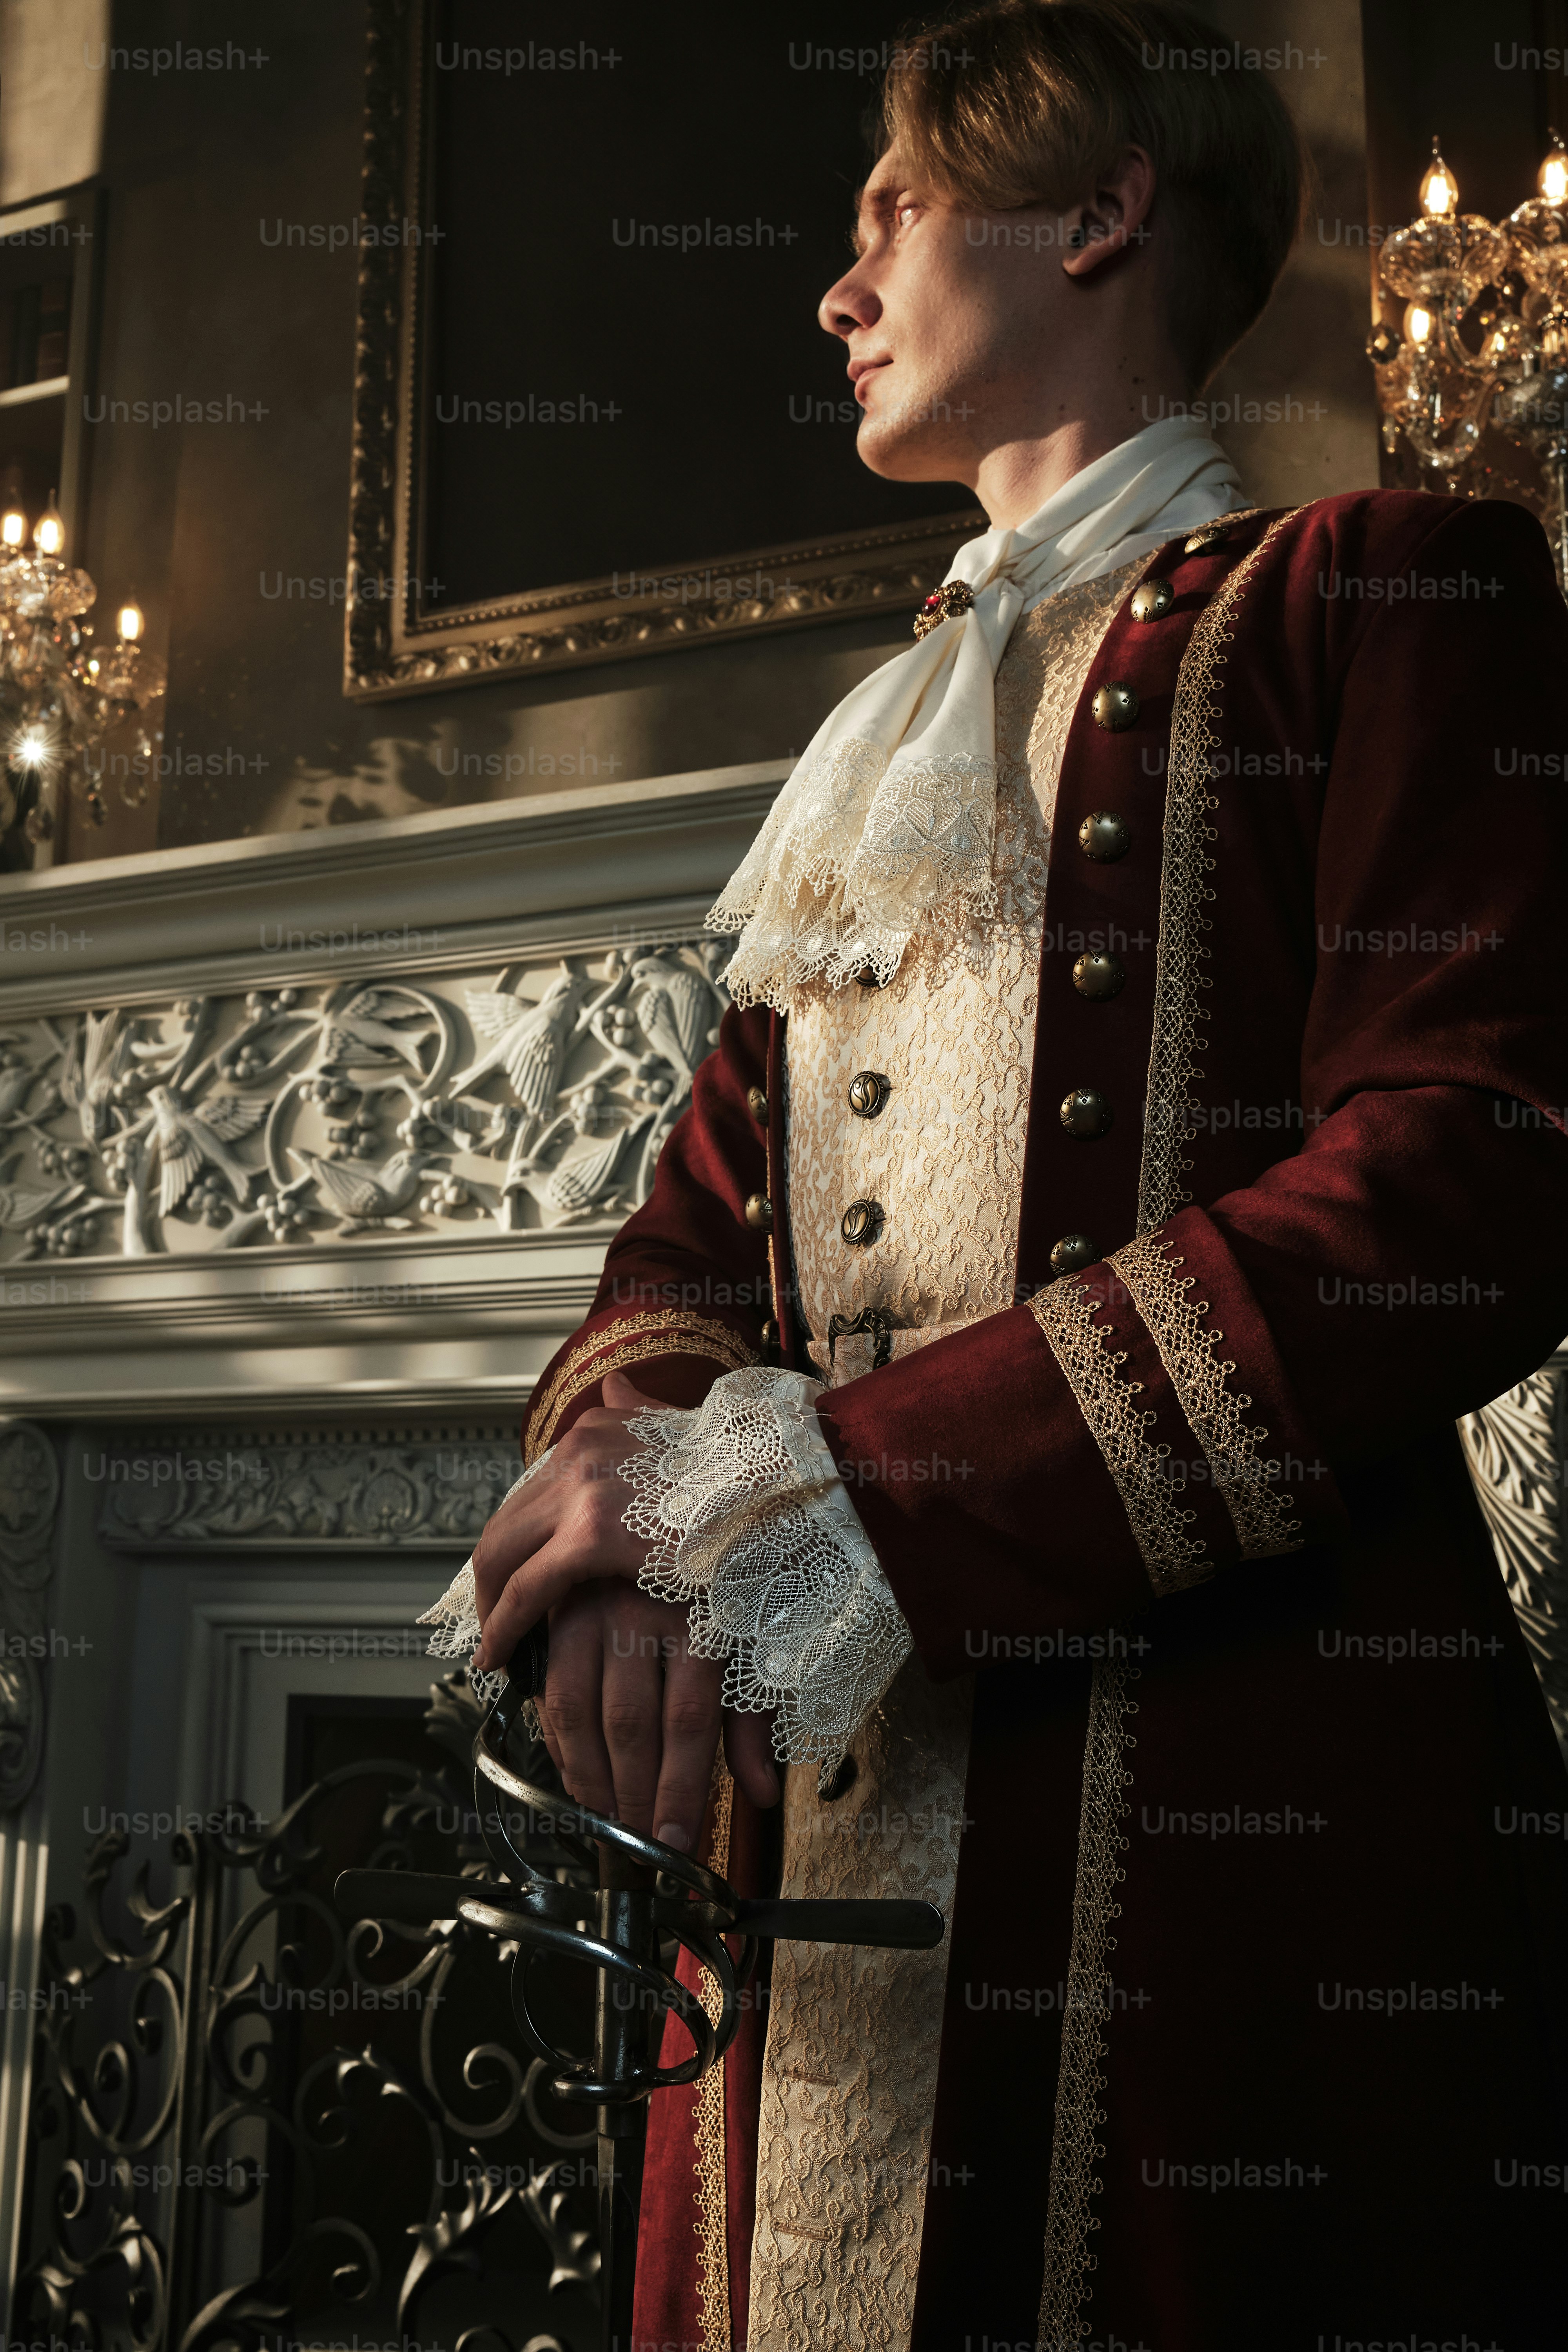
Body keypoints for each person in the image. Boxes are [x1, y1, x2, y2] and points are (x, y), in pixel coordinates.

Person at [421, 4, 1568, 2344]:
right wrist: (639, 1513)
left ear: (1103, 206)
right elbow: (685, 1244)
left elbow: (1476, 1166)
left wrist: (844, 1492)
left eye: (894, 214)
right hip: (808, 1863)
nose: (837, 293)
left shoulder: (1383, 588)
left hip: (1229, 1827)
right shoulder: (875, 739)